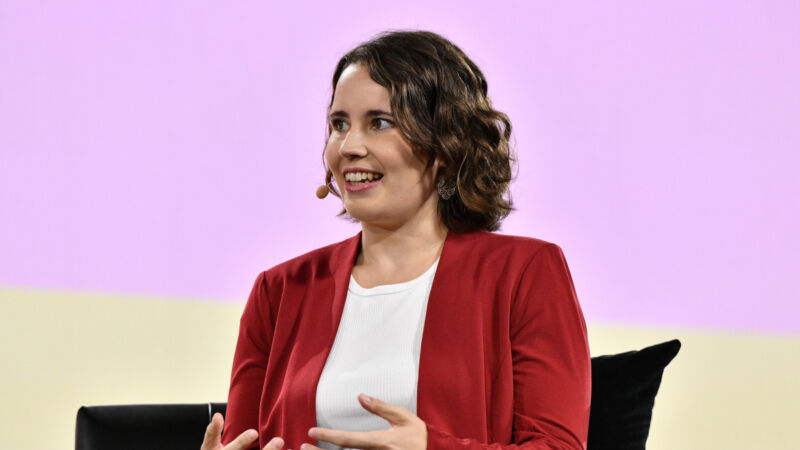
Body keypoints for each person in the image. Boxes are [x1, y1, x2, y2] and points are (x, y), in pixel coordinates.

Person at [201, 30, 591, 450]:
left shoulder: (525, 273)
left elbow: (557, 446)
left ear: (444, 144)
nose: (348, 147)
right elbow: (242, 441)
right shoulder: (279, 291)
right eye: (339, 124)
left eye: (379, 123)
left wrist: (430, 447)